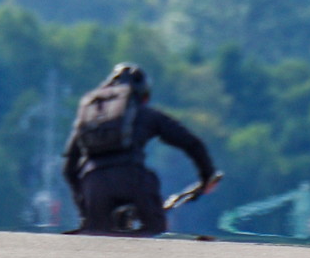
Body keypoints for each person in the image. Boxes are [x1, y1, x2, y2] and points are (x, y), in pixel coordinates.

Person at [62, 63, 220, 235]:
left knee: (95, 238)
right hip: (133, 181)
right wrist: (207, 177)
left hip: (94, 185)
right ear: (143, 97)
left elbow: (69, 170)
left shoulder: (90, 119)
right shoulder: (147, 114)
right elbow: (192, 143)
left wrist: (85, 208)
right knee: (155, 231)